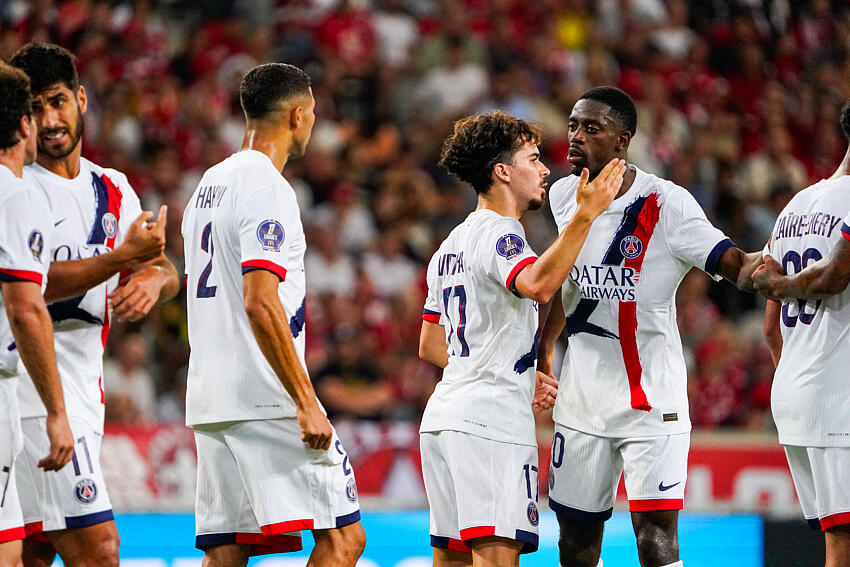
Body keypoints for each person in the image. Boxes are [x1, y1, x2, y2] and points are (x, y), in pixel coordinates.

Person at [537, 87, 762, 567]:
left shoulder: (667, 202)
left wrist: (775, 274)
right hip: (580, 404)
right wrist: (544, 352)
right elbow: (562, 279)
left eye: (591, 128)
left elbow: (732, 263)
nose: (575, 137)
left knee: (654, 540)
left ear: (623, 141)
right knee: (575, 545)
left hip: (651, 402)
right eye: (573, 125)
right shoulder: (562, 195)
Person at [418, 110, 625, 567]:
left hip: (443, 419)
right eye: (533, 159)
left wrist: (512, 366)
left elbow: (431, 345)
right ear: (503, 171)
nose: (545, 169)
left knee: (451, 561)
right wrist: (585, 216)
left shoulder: (450, 244)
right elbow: (537, 285)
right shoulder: (500, 234)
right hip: (490, 424)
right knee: (496, 560)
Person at [181, 62, 366, 566]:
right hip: (265, 396)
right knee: (344, 538)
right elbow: (260, 300)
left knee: (228, 550)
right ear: (298, 115)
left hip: (212, 399)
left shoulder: (206, 186)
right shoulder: (268, 187)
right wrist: (306, 401)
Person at [10, 43, 179, 567]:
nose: (49, 120)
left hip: (84, 390)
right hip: (31, 390)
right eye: (35, 109)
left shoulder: (114, 188)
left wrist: (152, 280)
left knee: (36, 552)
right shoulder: (16, 187)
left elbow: (162, 266)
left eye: (57, 102)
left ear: (81, 98)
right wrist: (119, 260)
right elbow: (29, 287)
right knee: (99, 549)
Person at [752, 102, 850, 567]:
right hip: (837, 399)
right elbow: (834, 276)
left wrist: (797, 374)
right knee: (843, 543)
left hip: (796, 392)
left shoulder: (797, 204)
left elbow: (771, 324)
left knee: (837, 537)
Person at [0, 60, 73, 567]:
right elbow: (26, 309)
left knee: (9, 544)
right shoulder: (17, 194)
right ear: (24, 124)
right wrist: (56, 412)